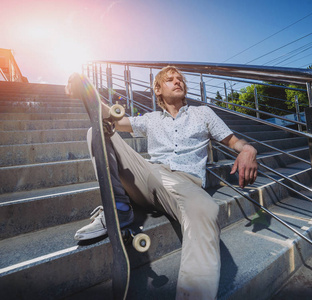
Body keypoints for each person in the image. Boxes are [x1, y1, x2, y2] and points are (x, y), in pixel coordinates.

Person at [72, 66, 258, 299]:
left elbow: (233, 141)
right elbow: (112, 118)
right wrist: (87, 90)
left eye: (180, 79)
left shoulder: (204, 113)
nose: (177, 81)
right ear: (158, 89)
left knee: (206, 209)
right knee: (96, 132)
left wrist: (248, 149)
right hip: (149, 175)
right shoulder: (149, 119)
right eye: (170, 80)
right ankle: (119, 207)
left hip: (186, 184)